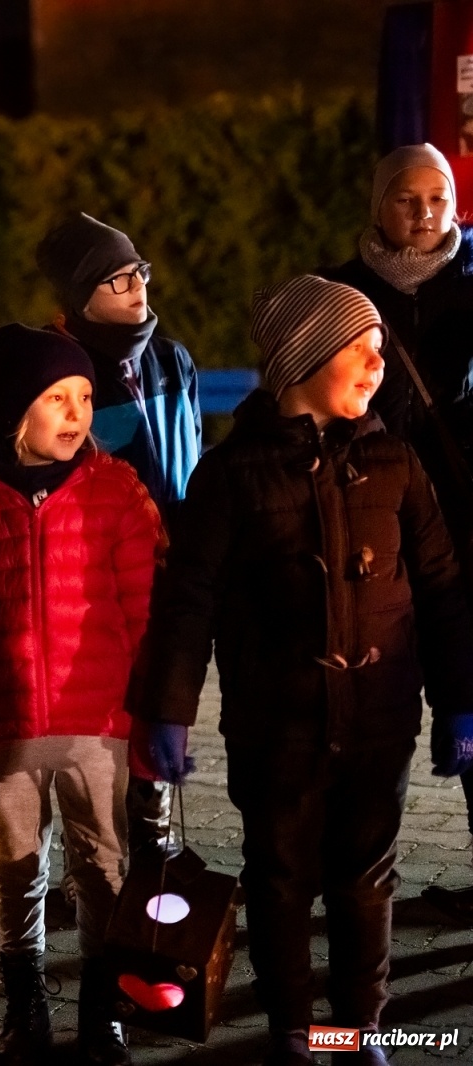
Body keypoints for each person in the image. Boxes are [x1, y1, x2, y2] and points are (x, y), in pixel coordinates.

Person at [131, 275, 473, 1066]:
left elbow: (442, 588)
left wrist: (459, 700)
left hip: (381, 717)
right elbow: (190, 601)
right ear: (303, 357)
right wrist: (167, 710)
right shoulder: (231, 475)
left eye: (381, 347)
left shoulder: (395, 462)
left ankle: (357, 1029)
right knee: (280, 879)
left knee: (366, 881)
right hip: (274, 726)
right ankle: (295, 1030)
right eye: (359, 346)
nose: (376, 361)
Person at [0, 325, 163, 1066]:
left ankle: (102, 1006)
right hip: (6, 726)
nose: (77, 412)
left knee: (102, 866)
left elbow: (147, 612)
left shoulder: (116, 490)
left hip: (99, 722)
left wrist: (156, 716)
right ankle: (25, 1005)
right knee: (16, 869)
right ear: (17, 409)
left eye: (84, 397)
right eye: (58, 397)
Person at [321, 145, 473, 924]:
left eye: (437, 198)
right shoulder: (341, 292)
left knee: (469, 680)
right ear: (379, 205)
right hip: (369, 511)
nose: (423, 212)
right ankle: (357, 877)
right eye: (407, 198)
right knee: (369, 693)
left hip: (463, 514)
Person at [35, 213, 203, 878]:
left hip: (176, 569)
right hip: (99, 580)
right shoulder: (65, 371)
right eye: (116, 278)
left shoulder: (171, 359)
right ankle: (93, 853)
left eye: (138, 272)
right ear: (80, 298)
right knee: (107, 716)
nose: (136, 287)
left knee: (167, 697)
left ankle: (155, 833)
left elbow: (190, 455)